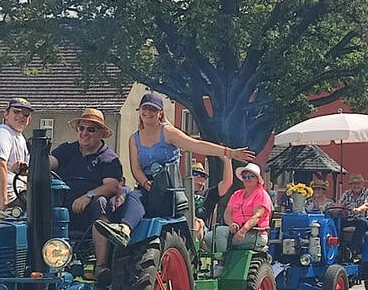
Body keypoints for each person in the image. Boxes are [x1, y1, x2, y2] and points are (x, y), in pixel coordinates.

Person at [94, 92, 255, 246]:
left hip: (169, 189)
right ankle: (124, 230)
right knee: (133, 197)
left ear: (160, 113)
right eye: (145, 108)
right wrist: (145, 182)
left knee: (138, 198)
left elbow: (196, 145)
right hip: (147, 187)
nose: (148, 112)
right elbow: (135, 169)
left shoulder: (168, 132)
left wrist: (229, 152)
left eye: (152, 109)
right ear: (140, 111)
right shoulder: (134, 138)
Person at [49, 108, 122, 283]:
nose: (84, 133)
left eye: (91, 129)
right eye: (81, 128)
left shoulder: (108, 158)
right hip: (61, 209)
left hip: (89, 213)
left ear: (102, 133)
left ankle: (101, 266)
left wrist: (88, 196)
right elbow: (50, 162)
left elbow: (111, 186)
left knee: (101, 202)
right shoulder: (67, 150)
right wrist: (32, 163)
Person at [208, 163, 273, 252]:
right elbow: (227, 212)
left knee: (220, 232)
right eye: (244, 177)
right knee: (208, 237)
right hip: (235, 230)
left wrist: (243, 231)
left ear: (257, 179)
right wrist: (232, 224)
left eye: (250, 177)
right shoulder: (237, 194)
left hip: (255, 234)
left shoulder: (261, 195)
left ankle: (222, 262)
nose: (247, 179)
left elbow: (257, 217)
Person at [192, 157, 233, 243]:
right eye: (195, 173)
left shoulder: (209, 194)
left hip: (200, 229)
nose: (199, 176)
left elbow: (227, 183)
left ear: (204, 180)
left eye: (203, 175)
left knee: (196, 223)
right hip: (182, 227)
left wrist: (227, 160)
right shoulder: (180, 193)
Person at [336, 173, 368, 253]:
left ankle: (352, 250)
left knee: (362, 223)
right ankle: (338, 247)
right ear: (350, 185)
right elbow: (339, 204)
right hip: (350, 220)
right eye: (353, 184)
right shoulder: (346, 193)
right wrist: (334, 209)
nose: (356, 186)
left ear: (362, 184)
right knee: (335, 222)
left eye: (358, 183)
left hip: (366, 221)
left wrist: (359, 209)